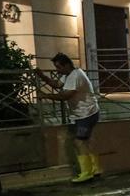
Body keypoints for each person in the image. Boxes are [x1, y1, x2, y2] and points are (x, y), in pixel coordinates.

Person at [36, 53, 101, 183]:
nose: (57, 70)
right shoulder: (69, 75)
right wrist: (42, 76)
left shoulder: (75, 76)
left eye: (59, 67)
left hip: (86, 114)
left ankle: (86, 173)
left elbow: (65, 96)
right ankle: (95, 169)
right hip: (87, 113)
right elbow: (57, 85)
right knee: (85, 141)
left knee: (79, 142)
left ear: (67, 65)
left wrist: (45, 96)